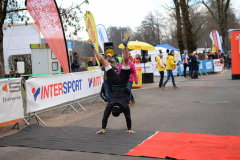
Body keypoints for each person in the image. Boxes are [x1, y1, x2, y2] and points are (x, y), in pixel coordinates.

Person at [87, 33, 135, 134]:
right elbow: (105, 117)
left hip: (122, 82)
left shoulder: (124, 106)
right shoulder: (110, 105)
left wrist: (129, 129)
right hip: (114, 81)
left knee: (126, 61)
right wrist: (103, 128)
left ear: (120, 110)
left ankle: (126, 45)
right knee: (103, 61)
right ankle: (92, 47)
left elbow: (128, 117)